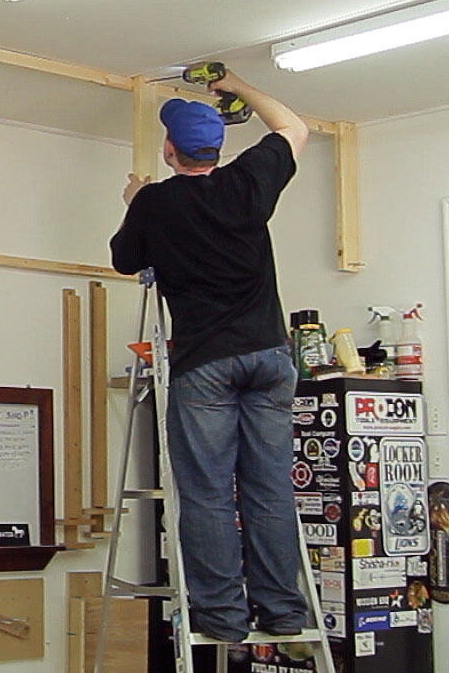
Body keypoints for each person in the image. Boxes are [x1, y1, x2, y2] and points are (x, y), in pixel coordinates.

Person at [108, 70, 309, 642]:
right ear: (217, 149)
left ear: (170, 151)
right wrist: (238, 83)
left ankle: (222, 617)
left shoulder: (154, 202)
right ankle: (284, 612)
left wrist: (134, 201)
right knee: (269, 490)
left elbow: (125, 260)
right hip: (270, 358)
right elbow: (294, 125)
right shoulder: (249, 182)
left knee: (209, 493)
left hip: (205, 366)